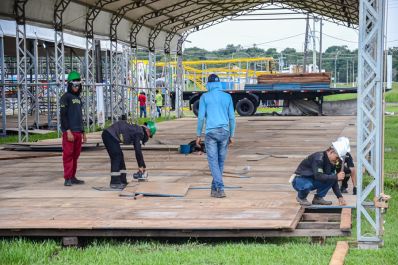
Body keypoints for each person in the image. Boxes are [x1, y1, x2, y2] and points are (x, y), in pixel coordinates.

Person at [196, 74, 235, 198]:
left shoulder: (204, 97)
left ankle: (220, 188)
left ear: (208, 84)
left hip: (211, 133)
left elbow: (201, 117)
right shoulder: (227, 96)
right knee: (220, 162)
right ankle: (214, 190)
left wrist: (198, 134)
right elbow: (232, 118)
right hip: (224, 132)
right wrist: (232, 135)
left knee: (213, 162)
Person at [291, 137, 350, 206]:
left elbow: (333, 180)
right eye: (337, 158)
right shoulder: (318, 158)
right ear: (331, 152)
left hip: (313, 179)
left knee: (331, 177)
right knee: (307, 185)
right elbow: (318, 176)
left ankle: (318, 198)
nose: (337, 161)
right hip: (300, 179)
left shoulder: (331, 162)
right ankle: (301, 197)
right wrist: (336, 177)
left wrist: (340, 197)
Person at [101, 120, 157, 189]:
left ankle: (123, 181)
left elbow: (138, 149)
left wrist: (142, 165)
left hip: (110, 136)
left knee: (120, 156)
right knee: (117, 156)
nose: (148, 137)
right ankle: (114, 182)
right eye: (150, 135)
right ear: (148, 130)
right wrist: (141, 165)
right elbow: (138, 150)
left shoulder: (137, 129)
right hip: (109, 135)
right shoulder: (140, 133)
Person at [60, 71, 87, 186]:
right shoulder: (65, 97)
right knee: (68, 155)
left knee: (75, 156)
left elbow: (80, 116)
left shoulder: (78, 99)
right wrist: (67, 130)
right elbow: (63, 115)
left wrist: (83, 132)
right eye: (74, 85)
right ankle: (67, 178)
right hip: (69, 133)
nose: (76, 87)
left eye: (78, 85)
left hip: (78, 132)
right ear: (70, 85)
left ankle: (73, 176)